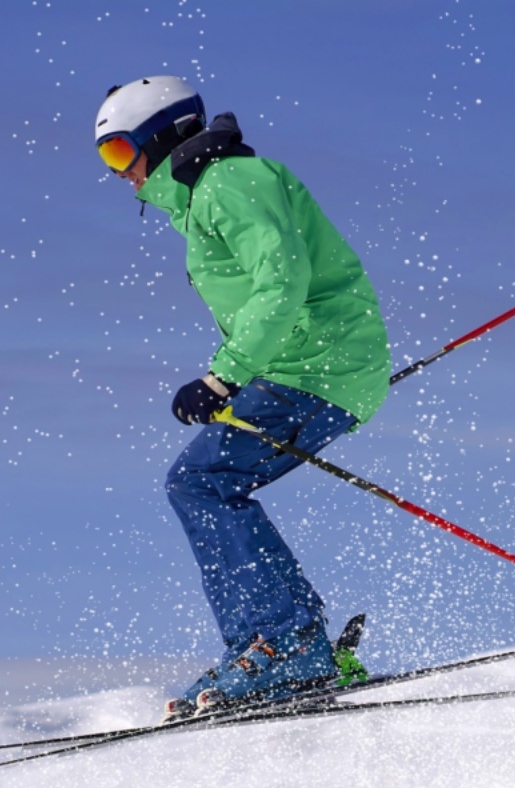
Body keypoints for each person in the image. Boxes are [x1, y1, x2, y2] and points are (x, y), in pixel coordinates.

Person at [94, 76, 391, 720]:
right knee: (206, 481)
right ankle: (287, 643)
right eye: (106, 159)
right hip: (313, 364)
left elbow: (282, 282)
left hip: (317, 365)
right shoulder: (206, 197)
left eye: (119, 152)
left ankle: (283, 644)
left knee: (201, 481)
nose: (117, 172)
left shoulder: (230, 182)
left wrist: (222, 377)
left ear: (163, 135)